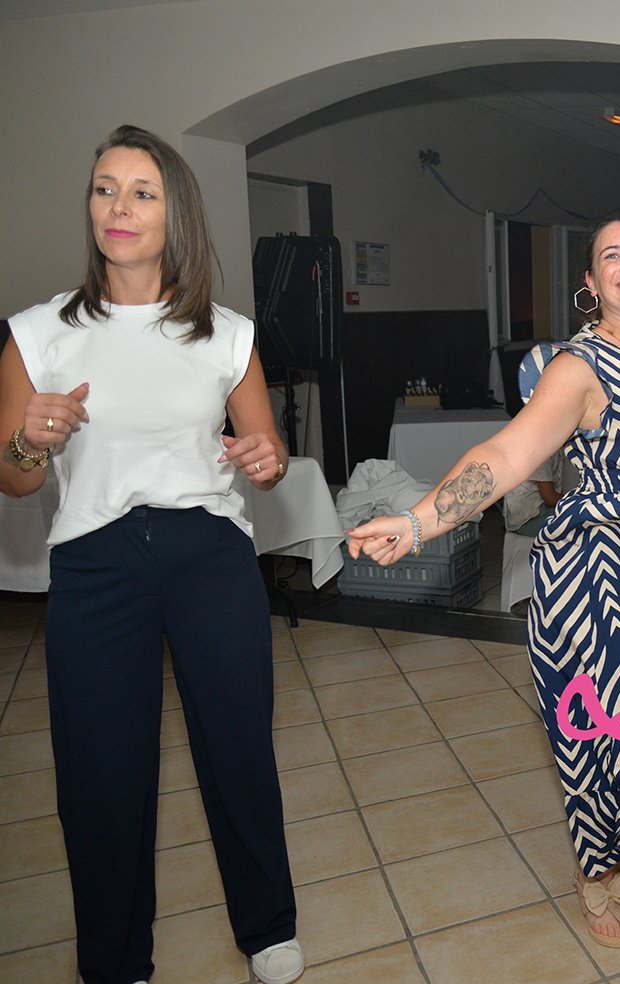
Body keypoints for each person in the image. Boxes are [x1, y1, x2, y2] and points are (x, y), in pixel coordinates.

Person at [346, 212, 620, 950]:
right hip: (605, 579)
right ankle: (597, 874)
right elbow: (506, 455)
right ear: (591, 283)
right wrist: (418, 522)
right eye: (612, 256)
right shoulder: (580, 368)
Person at [0, 126, 302, 984]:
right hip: (94, 566)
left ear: (176, 214)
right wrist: (29, 441)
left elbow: (268, 453)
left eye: (141, 192)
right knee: (100, 771)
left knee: (237, 748)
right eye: (104, 189)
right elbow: (15, 482)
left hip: (208, 555)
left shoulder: (226, 334)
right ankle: (116, 958)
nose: (118, 207)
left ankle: (267, 927)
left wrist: (266, 459)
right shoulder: (37, 333)